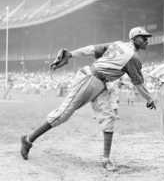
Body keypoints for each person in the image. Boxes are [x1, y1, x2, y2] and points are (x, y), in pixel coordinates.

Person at [20, 27, 156, 171]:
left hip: (100, 83)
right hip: (90, 78)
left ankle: (106, 159)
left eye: (147, 37)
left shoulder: (117, 44)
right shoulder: (133, 57)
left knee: (109, 118)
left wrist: (70, 54)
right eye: (143, 37)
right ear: (134, 39)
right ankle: (28, 140)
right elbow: (138, 83)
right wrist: (149, 98)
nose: (146, 40)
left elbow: (91, 49)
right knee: (63, 114)